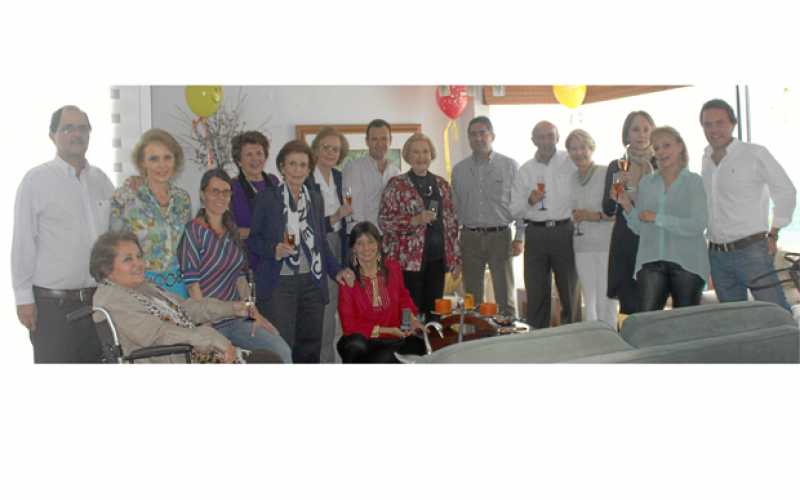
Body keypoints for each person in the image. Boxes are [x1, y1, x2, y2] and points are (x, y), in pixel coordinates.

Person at [11, 105, 114, 363]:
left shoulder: (102, 181)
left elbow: (116, 235)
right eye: (68, 128)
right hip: (52, 308)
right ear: (52, 135)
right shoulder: (36, 181)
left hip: (99, 302)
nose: (76, 134)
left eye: (82, 128)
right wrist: (23, 299)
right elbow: (23, 242)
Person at [248, 140, 355, 363]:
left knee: (310, 347)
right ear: (282, 167)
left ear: (308, 170)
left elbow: (320, 243)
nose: (297, 170)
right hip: (279, 283)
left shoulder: (314, 198)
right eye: (292, 164)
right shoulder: (267, 198)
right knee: (282, 346)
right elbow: (253, 241)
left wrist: (336, 270)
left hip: (312, 282)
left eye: (303, 165)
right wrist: (274, 249)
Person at [91, 231, 260, 363]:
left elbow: (185, 307)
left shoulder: (143, 287)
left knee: (264, 358)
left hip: (190, 354)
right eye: (128, 259)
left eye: (139, 256)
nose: (139, 263)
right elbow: (156, 334)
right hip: (172, 359)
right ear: (106, 268)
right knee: (264, 360)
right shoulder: (112, 299)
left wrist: (231, 308)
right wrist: (209, 338)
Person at [177, 169, 292, 363]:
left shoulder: (232, 231)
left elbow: (239, 277)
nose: (221, 197)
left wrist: (254, 314)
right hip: (209, 321)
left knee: (281, 351)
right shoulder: (194, 231)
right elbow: (192, 284)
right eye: (215, 191)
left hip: (237, 317)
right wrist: (207, 326)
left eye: (226, 192)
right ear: (203, 194)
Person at [700, 98, 796, 310]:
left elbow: (785, 190)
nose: (713, 129)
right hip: (717, 255)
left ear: (733, 124)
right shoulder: (706, 159)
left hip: (752, 251)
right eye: (708, 124)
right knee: (736, 319)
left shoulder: (754, 153)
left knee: (775, 314)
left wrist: (774, 232)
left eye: (720, 123)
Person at [614, 126, 709, 311]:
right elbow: (640, 227)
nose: (661, 152)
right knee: (647, 322)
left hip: (688, 262)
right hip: (651, 262)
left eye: (666, 145)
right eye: (656, 148)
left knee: (685, 322)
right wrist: (625, 204)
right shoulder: (646, 183)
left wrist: (658, 218)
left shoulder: (694, 181)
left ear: (680, 147)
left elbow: (698, 224)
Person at [379, 132, 461, 320]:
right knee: (408, 315)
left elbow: (452, 225)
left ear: (431, 154)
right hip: (407, 263)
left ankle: (432, 339)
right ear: (407, 156)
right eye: (415, 152)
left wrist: (456, 259)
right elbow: (384, 221)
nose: (421, 156)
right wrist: (414, 220)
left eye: (425, 151)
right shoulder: (396, 185)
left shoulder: (442, 185)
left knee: (434, 315)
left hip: (437, 261)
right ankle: (410, 340)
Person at [451, 116, 524, 317]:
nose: (478, 138)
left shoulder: (510, 166)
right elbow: (454, 210)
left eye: (482, 133)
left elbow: (519, 204)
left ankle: (509, 334)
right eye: (473, 134)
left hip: (500, 236)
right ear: (468, 139)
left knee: (505, 297)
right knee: (472, 299)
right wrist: (454, 245)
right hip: (469, 238)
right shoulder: (459, 170)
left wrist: (520, 237)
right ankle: (477, 334)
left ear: (492, 135)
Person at [510, 121, 578, 329]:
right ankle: (538, 337)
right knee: (536, 292)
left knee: (569, 291)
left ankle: (573, 336)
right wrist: (529, 201)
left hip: (564, 231)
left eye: (550, 136)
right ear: (533, 140)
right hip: (536, 234)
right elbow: (513, 210)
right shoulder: (525, 170)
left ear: (558, 138)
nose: (546, 141)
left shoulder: (570, 162)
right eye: (541, 136)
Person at [110, 128, 192, 297]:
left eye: (167, 157)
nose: (162, 165)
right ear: (142, 163)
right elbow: (112, 248)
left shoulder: (183, 200)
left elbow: (185, 248)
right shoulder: (126, 197)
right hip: (139, 287)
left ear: (175, 160)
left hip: (178, 288)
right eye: (154, 159)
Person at [337, 222, 427, 363]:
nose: (366, 248)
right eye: (360, 243)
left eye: (370, 242)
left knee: (421, 346)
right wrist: (386, 330)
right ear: (353, 248)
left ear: (378, 244)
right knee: (357, 348)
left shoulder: (393, 267)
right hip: (365, 339)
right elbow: (349, 326)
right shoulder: (348, 279)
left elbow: (403, 299)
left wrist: (411, 321)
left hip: (394, 338)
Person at [601, 111, 656, 315]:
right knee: (628, 307)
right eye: (635, 129)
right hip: (626, 241)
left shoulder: (662, 163)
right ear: (627, 134)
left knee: (652, 304)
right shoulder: (616, 166)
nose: (641, 134)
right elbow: (607, 209)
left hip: (654, 240)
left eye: (646, 129)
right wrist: (616, 189)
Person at [310, 127, 353, 362]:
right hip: (318, 244)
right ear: (316, 149)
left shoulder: (339, 177)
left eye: (335, 149)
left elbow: (346, 218)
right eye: (325, 147)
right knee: (324, 308)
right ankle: (322, 360)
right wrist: (335, 217)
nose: (330, 152)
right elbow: (310, 224)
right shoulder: (307, 178)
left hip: (339, 243)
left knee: (336, 306)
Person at [565, 129, 616, 328]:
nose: (579, 153)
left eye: (583, 147)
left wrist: (593, 216)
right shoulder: (571, 178)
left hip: (606, 244)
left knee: (606, 298)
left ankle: (610, 336)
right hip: (581, 245)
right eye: (573, 149)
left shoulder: (607, 173)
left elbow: (619, 210)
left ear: (591, 148)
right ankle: (593, 338)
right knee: (589, 299)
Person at [341, 119, 399, 232]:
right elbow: (349, 202)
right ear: (367, 141)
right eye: (374, 139)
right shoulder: (353, 168)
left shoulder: (395, 172)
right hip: (362, 234)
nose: (379, 144)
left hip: (388, 234)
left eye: (384, 138)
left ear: (390, 140)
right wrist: (360, 235)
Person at [229, 131, 280, 247]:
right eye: (249, 154)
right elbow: (228, 230)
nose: (255, 159)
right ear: (239, 161)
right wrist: (261, 232)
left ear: (265, 156)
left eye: (259, 153)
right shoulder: (231, 187)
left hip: (275, 251)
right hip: (246, 253)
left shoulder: (274, 181)